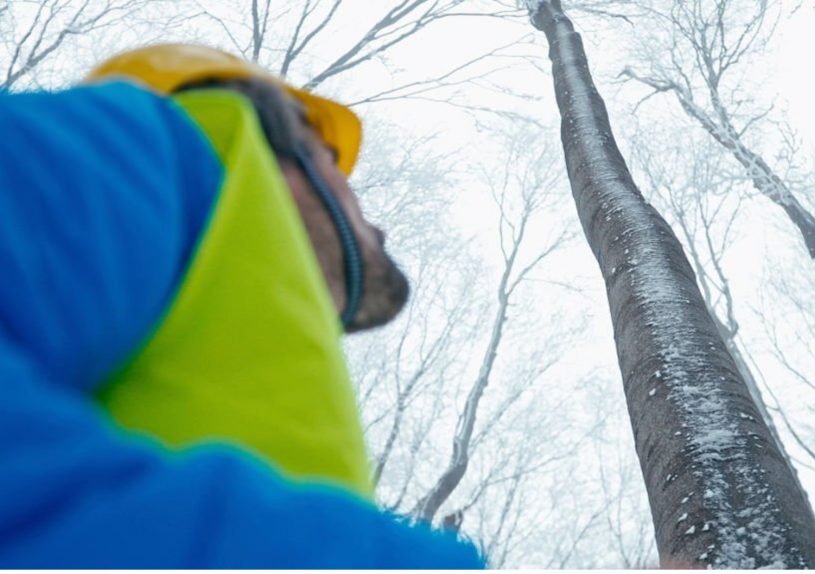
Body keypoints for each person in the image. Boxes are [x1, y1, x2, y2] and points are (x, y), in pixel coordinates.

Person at [0, 43, 484, 568]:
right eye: (334, 163)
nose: (377, 225)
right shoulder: (165, 146)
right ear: (289, 137)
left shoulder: (235, 305)